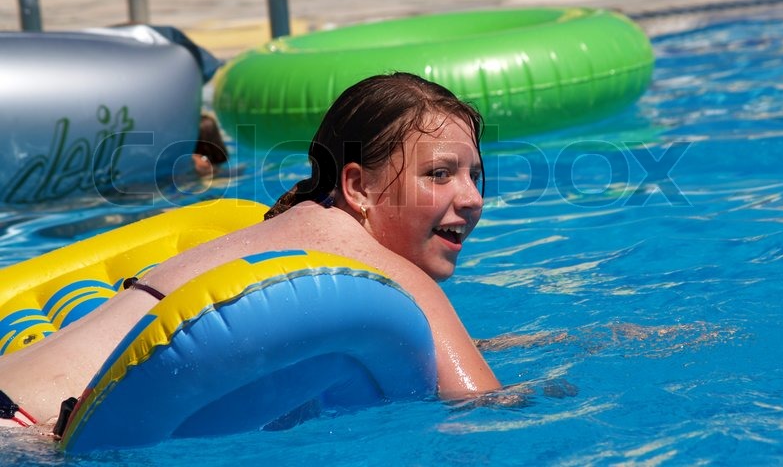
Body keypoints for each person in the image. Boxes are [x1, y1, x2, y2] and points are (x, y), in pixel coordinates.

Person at [0, 72, 501, 433]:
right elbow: (482, 407)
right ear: (358, 187)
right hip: (28, 436)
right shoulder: (381, 271)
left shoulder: (290, 229)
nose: (473, 197)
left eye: (473, 175)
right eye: (439, 174)